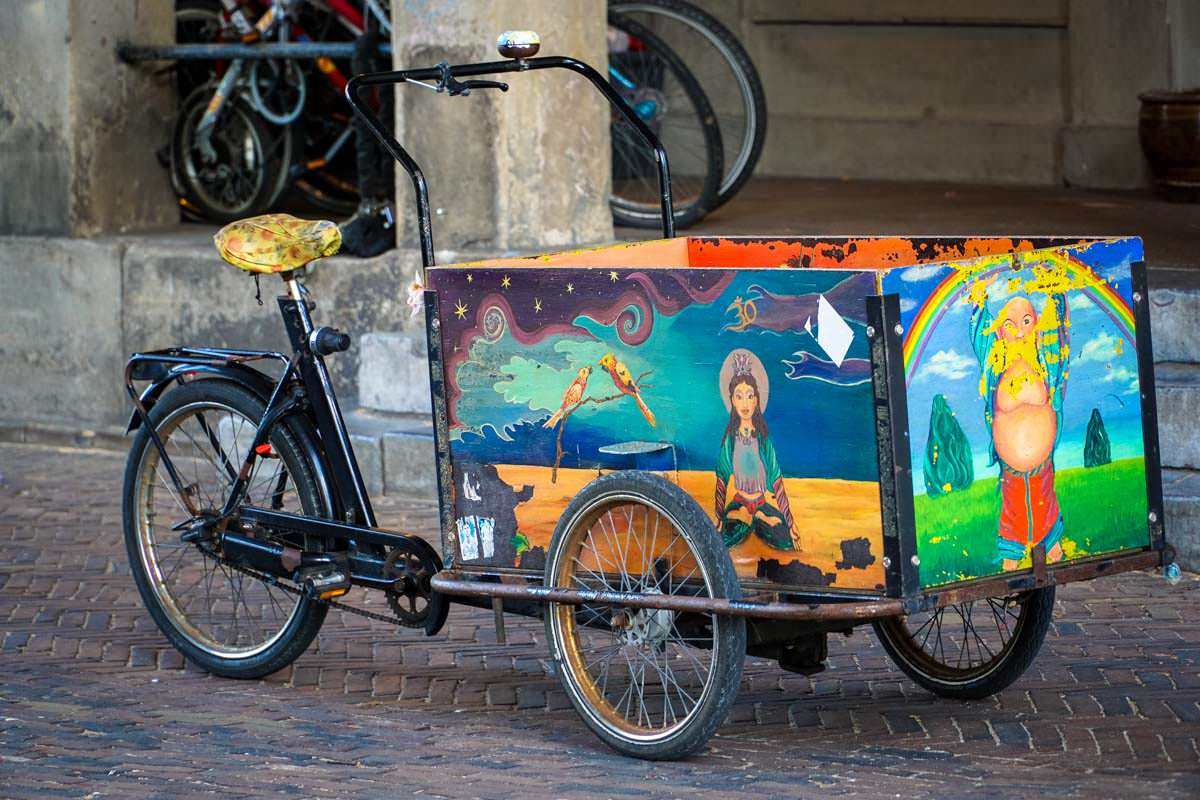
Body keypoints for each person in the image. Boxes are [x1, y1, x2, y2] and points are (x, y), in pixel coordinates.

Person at [969, 275, 1069, 570]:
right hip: (1010, 470)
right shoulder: (995, 364)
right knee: (1012, 518)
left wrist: (1054, 291)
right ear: (1000, 331)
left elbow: (1058, 327)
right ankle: (1010, 568)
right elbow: (979, 332)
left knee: (1046, 511)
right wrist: (979, 293)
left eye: (1027, 321)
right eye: (1010, 324)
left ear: (1036, 327)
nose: (1019, 330)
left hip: (1043, 467)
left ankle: (1054, 553)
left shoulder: (1045, 361)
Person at [714, 350, 800, 550]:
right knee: (725, 539)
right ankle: (744, 516)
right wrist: (718, 516)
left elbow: (777, 482)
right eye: (739, 396)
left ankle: (758, 517)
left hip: (761, 503)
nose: (745, 403)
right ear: (733, 401)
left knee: (786, 539)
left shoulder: (763, 440)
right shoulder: (730, 440)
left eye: (749, 396)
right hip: (739, 503)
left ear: (756, 400)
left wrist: (790, 520)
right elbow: (721, 480)